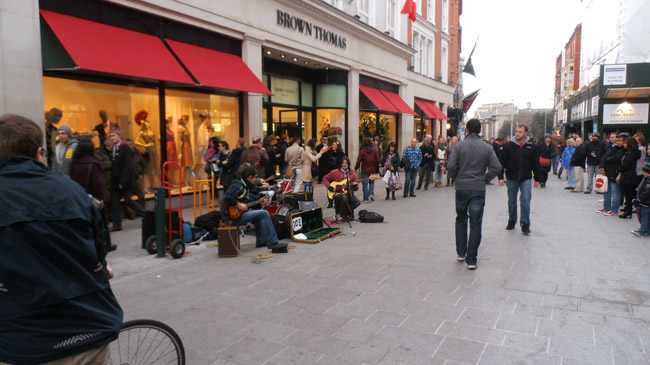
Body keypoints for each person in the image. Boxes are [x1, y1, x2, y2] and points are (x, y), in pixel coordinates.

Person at [0, 114, 122, 364]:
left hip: (19, 341)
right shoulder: (71, 191)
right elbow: (99, 249)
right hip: (84, 331)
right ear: (39, 153)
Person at [446, 119, 502, 270]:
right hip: (478, 187)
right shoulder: (487, 147)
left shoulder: (458, 146)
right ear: (479, 130)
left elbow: (450, 166)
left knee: (461, 218)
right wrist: (486, 178)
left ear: (467, 130)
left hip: (462, 187)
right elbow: (496, 167)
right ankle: (472, 258)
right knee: (476, 222)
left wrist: (454, 177)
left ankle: (461, 252)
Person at [220, 164, 288, 252]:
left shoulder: (243, 185)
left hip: (235, 215)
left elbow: (249, 197)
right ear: (250, 177)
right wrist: (238, 205)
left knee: (258, 214)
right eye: (255, 177)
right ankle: (273, 243)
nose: (256, 179)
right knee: (264, 213)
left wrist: (259, 200)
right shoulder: (238, 186)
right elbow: (227, 197)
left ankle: (261, 241)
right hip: (230, 217)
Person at [69, 140, 116, 252]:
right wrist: (103, 199)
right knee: (101, 224)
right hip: (93, 198)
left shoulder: (74, 163)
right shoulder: (93, 164)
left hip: (79, 197)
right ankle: (105, 245)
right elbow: (98, 184)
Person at [498, 124, 541, 234]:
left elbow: (536, 163)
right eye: (516, 131)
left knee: (525, 200)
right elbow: (501, 162)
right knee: (512, 201)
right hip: (512, 177)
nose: (517, 133)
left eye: (520, 132)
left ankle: (525, 223)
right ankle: (512, 220)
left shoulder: (532, 146)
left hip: (526, 178)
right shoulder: (508, 146)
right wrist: (500, 177)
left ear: (526, 133)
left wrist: (537, 178)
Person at [109, 129, 145, 231]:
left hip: (125, 180)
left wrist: (122, 181)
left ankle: (146, 215)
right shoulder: (114, 148)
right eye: (110, 136)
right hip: (115, 180)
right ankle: (117, 224)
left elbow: (128, 166)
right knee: (115, 202)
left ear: (119, 136)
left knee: (128, 200)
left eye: (114, 135)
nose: (112, 138)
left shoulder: (125, 148)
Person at [323, 156, 360, 221]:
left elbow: (356, 189)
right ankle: (341, 214)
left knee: (357, 201)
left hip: (348, 193)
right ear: (340, 164)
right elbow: (325, 178)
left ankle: (343, 213)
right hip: (336, 193)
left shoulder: (352, 174)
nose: (344, 164)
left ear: (348, 164)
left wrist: (355, 185)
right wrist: (329, 187)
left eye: (346, 163)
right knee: (343, 197)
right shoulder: (335, 172)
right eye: (343, 163)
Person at [597, 133, 625, 216]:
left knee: (615, 192)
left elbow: (616, 159)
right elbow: (604, 157)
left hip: (615, 173)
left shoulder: (624, 150)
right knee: (606, 191)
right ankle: (606, 207)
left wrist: (607, 160)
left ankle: (614, 209)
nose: (618, 142)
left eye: (620, 141)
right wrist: (602, 167)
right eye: (617, 140)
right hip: (608, 172)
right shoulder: (613, 149)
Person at [618, 136, 641, 219]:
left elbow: (626, 164)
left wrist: (618, 169)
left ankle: (628, 211)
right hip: (631, 175)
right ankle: (628, 210)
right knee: (629, 194)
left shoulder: (630, 153)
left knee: (628, 194)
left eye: (625, 143)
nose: (624, 144)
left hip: (628, 176)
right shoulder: (633, 152)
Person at [134, 110, 158, 190]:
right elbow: (135, 141)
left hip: (154, 150)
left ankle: (152, 186)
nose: (148, 118)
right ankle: (145, 187)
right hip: (149, 151)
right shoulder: (142, 131)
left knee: (153, 169)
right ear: (143, 119)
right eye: (147, 117)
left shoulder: (149, 128)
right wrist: (145, 145)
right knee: (148, 169)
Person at [321, 140, 345, 207]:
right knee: (330, 187)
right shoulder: (328, 153)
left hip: (338, 172)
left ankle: (337, 201)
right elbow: (323, 160)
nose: (333, 146)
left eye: (335, 145)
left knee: (337, 187)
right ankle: (330, 202)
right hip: (330, 172)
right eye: (333, 145)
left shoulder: (341, 154)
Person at [355, 137, 380, 202]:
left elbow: (358, 161)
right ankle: (371, 193)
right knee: (372, 182)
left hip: (364, 170)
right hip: (373, 169)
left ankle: (366, 198)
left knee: (365, 184)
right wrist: (377, 169)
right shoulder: (375, 151)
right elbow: (378, 160)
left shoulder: (362, 152)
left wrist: (356, 168)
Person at [632, 164, 650, 237]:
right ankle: (646, 230)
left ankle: (642, 231)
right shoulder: (646, 179)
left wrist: (639, 199)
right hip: (646, 202)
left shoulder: (648, 181)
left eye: (644, 172)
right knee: (646, 217)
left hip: (645, 203)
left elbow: (646, 192)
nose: (643, 173)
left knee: (644, 217)